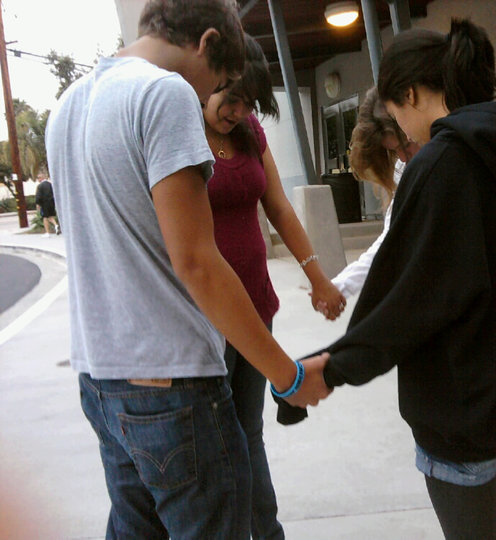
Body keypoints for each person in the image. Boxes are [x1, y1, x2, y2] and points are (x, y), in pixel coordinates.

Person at [45, 1, 331, 538]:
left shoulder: (69, 103)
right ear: (205, 43)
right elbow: (197, 262)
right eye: (221, 79)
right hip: (171, 383)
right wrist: (286, 375)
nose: (211, 95)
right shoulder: (164, 92)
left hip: (99, 376)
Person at [289, 18, 496, 539]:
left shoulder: (442, 165)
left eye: (397, 113)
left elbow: (407, 301)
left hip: (461, 409)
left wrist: (332, 369)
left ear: (413, 93)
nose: (402, 131)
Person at [203, 35, 345, 539]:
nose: (237, 112)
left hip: (256, 306)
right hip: (205, 317)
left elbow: (280, 207)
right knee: (215, 444)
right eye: (230, 99)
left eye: (247, 105)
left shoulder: (248, 132)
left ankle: (267, 532)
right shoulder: (176, 129)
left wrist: (317, 277)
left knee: (250, 432)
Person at [328, 87, 419, 302]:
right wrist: (341, 285)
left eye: (406, 145)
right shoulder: (404, 169)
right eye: (393, 150)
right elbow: (390, 240)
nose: (403, 158)